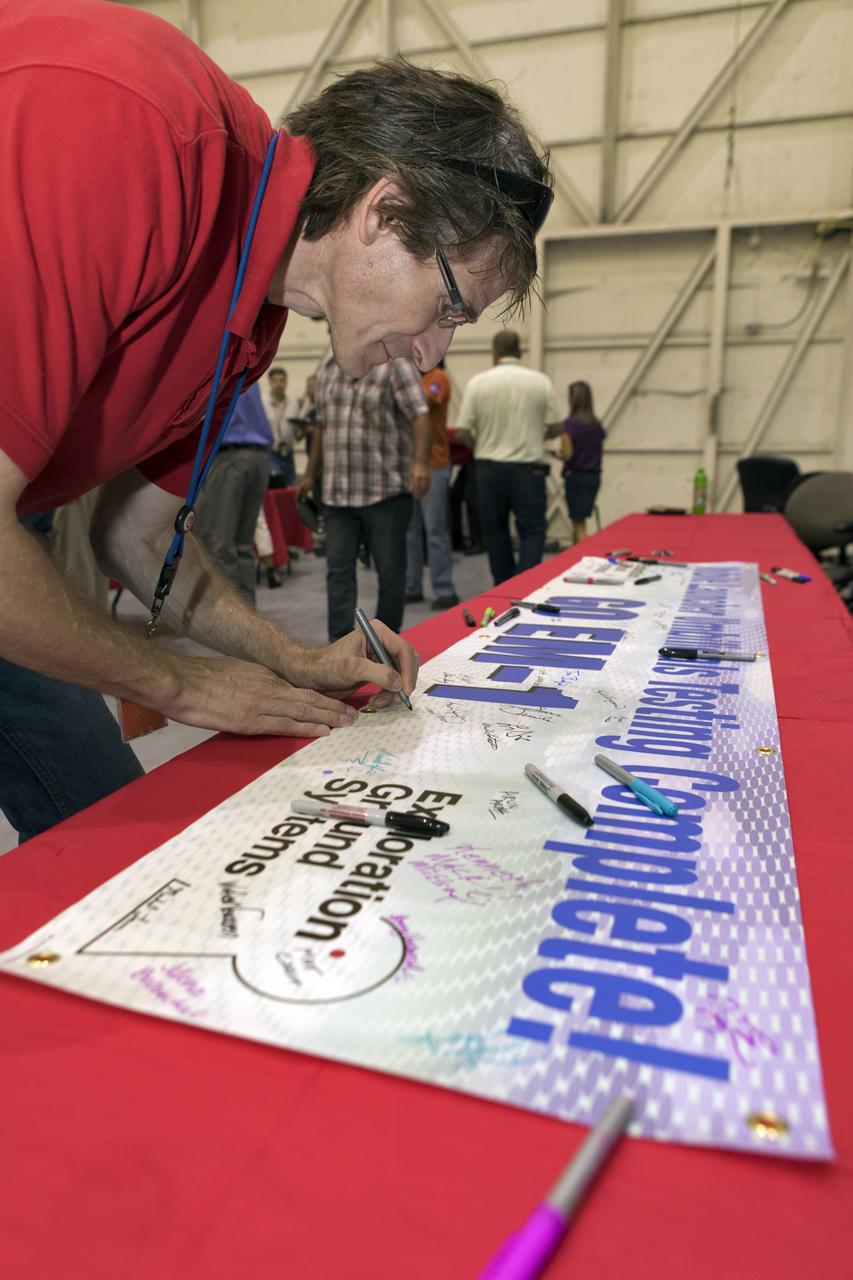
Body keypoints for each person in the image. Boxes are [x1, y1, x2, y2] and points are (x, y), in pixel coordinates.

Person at [0, 0, 552, 842]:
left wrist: (286, 657)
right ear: (381, 212)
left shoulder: (251, 320)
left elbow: (138, 544)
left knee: (111, 840)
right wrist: (180, 684)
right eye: (448, 305)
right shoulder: (128, 124)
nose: (435, 352)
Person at [299, 356, 432, 641]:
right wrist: (310, 474)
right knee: (338, 573)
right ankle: (340, 645)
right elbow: (321, 425)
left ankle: (384, 643)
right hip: (337, 495)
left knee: (390, 573)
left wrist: (420, 464)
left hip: (386, 493)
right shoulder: (326, 368)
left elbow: (420, 414)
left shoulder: (396, 364)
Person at [456, 331, 562, 585]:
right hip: (529, 470)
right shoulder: (540, 382)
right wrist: (538, 435)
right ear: (520, 352)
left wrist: (481, 444)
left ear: (494, 353)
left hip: (489, 470)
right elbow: (557, 426)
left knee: (495, 531)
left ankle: (503, 586)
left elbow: (462, 432)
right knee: (533, 530)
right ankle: (525, 587)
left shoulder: (478, 383)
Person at [192, 383, 273, 606]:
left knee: (220, 545)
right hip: (256, 458)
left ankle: (230, 618)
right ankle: (248, 615)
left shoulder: (218, 359)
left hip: (229, 458)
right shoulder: (250, 360)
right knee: (242, 545)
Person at [405, 360, 458, 609]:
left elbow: (421, 405)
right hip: (409, 463)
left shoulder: (437, 377)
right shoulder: (410, 378)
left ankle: (444, 589)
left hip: (434, 463)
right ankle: (412, 586)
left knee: (435, 530)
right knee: (410, 531)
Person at [561, 381, 606, 544]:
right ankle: (576, 556)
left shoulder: (570, 425)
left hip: (576, 477)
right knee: (581, 521)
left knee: (579, 525)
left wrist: (557, 454)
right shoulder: (596, 425)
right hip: (594, 477)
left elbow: (568, 454)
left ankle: (583, 559)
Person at [262, 367, 301, 488]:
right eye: (275, 380)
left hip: (288, 454)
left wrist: (303, 430)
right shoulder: (263, 403)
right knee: (274, 490)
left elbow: (296, 434)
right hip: (270, 454)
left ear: (286, 382)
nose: (279, 384)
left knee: (290, 489)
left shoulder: (293, 404)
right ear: (270, 382)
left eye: (282, 380)